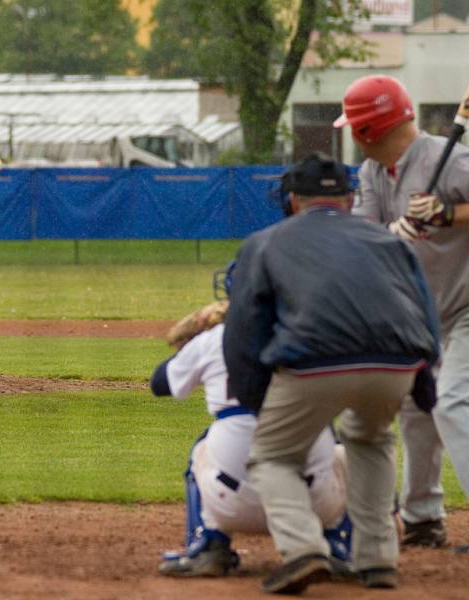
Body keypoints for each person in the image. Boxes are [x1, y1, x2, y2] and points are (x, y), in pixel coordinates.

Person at [223, 152, 440, 594]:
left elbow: (244, 326)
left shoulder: (267, 241)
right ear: (349, 198)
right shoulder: (389, 241)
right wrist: (424, 379)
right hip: (394, 364)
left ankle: (304, 550)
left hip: (313, 362)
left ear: (293, 201)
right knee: (372, 438)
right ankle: (379, 560)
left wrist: (251, 392)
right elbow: (422, 310)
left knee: (273, 456)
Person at [334, 74, 469, 550]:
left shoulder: (448, 159)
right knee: (416, 408)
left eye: (352, 126)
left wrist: (448, 214)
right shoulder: (372, 173)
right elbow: (364, 237)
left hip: (467, 306)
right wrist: (398, 231)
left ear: (366, 131)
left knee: (452, 401)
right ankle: (422, 517)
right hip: (419, 314)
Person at [151, 264, 351, 579]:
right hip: (314, 503)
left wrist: (193, 345)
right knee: (343, 447)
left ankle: (208, 547)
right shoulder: (317, 334)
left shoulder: (217, 337)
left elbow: (159, 383)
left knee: (206, 445)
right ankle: (339, 549)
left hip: (230, 504)